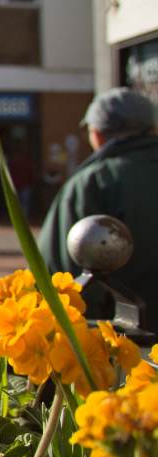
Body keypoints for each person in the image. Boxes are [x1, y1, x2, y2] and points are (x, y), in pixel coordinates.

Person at [39, 88, 158, 324]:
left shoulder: (93, 181)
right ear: (152, 129)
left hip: (130, 342)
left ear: (98, 134)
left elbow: (63, 274)